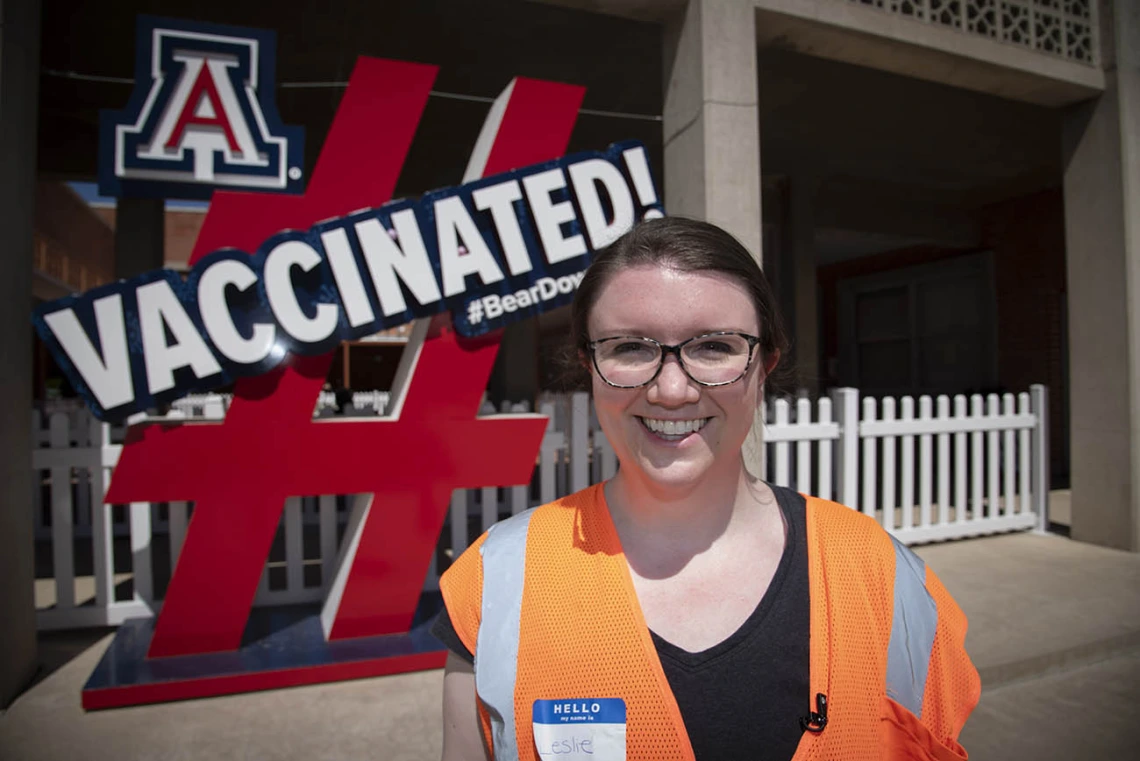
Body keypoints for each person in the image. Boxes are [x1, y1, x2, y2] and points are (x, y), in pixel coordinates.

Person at [433, 217, 980, 760]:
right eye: (629, 347)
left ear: (765, 363)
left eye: (714, 347)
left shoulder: (885, 578)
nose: (671, 390)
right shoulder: (496, 582)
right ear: (589, 365)